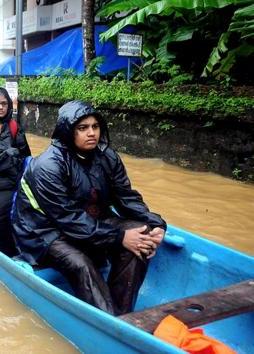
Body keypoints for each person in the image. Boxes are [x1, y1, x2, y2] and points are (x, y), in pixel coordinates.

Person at [11, 100, 167, 316]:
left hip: (91, 223)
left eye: (95, 126)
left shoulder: (108, 157)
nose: (91, 133)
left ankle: (121, 315)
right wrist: (119, 236)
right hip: (45, 232)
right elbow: (67, 218)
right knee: (80, 263)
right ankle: (107, 322)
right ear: (68, 131)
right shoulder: (49, 166)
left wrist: (156, 223)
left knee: (142, 236)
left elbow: (127, 198)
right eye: (82, 128)